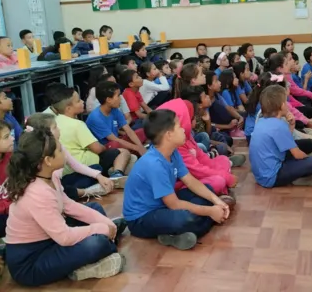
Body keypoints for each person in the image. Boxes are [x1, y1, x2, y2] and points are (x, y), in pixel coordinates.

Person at [4, 128, 126, 286]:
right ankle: (90, 260)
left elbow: (69, 206)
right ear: (48, 160)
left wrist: (105, 224)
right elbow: (65, 237)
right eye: (60, 150)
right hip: (31, 263)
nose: (64, 152)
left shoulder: (50, 176)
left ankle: (102, 245)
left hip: (50, 240)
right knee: (97, 243)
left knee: (94, 209)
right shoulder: (37, 192)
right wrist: (101, 228)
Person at [123, 109, 230, 250]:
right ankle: (205, 220)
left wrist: (216, 201)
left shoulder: (172, 152)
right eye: (179, 126)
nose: (184, 130)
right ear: (169, 135)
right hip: (141, 219)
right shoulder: (154, 164)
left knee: (208, 190)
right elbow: (174, 205)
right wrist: (210, 211)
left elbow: (190, 181)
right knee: (185, 219)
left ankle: (179, 232)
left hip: (162, 204)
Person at [250, 85, 312, 187]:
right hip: (272, 177)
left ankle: (299, 172)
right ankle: (297, 178)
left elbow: (284, 142)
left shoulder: (262, 121)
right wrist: (306, 159)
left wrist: (291, 126)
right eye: (286, 101)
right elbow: (297, 154)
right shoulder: (279, 125)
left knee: (306, 151)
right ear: (282, 106)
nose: (288, 104)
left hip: (261, 174)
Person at [26, 114, 116, 200]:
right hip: (51, 189)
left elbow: (75, 165)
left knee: (96, 168)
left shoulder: (59, 145)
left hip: (60, 183)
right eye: (55, 127)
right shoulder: (37, 153)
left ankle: (83, 190)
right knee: (66, 190)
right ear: (44, 133)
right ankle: (86, 192)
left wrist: (98, 176)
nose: (59, 129)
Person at [53, 86, 131, 182]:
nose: (82, 101)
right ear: (68, 108)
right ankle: (117, 175)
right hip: (87, 165)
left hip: (67, 168)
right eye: (78, 101)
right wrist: (104, 147)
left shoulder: (54, 122)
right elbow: (97, 149)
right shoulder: (77, 124)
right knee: (123, 152)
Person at [87, 81, 147, 155]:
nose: (121, 99)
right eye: (118, 96)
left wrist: (140, 146)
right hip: (107, 148)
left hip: (118, 140)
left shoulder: (114, 110)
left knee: (141, 131)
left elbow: (128, 130)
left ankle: (137, 150)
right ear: (108, 99)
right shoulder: (95, 117)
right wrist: (137, 148)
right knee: (115, 144)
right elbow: (114, 139)